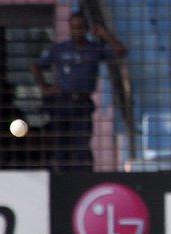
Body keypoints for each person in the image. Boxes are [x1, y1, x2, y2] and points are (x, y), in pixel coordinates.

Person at [30, 12, 127, 171]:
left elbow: (120, 52)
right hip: (62, 102)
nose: (77, 31)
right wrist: (44, 88)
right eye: (73, 28)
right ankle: (60, 178)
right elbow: (36, 66)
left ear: (86, 29)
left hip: (82, 103)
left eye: (80, 28)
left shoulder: (94, 49)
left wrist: (104, 34)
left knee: (82, 145)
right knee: (62, 145)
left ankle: (84, 178)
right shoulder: (60, 49)